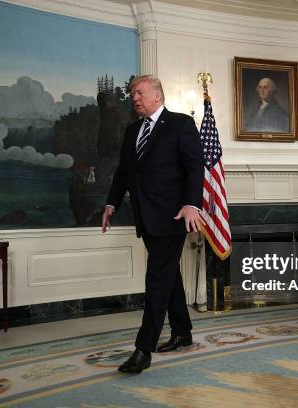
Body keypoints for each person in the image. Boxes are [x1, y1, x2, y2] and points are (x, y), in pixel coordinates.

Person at [101, 75, 205, 373]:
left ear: (157, 96)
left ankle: (143, 349)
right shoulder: (133, 129)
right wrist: (111, 203)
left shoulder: (181, 123)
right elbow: (124, 172)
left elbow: (194, 166)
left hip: (174, 217)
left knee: (156, 280)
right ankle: (183, 333)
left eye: (139, 92)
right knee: (169, 276)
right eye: (132, 92)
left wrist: (191, 204)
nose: (134, 97)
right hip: (145, 217)